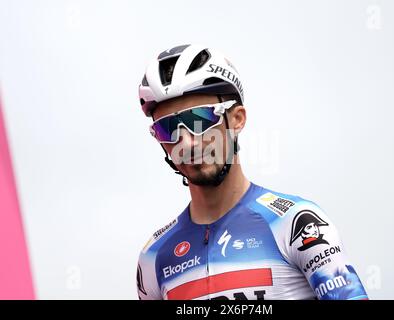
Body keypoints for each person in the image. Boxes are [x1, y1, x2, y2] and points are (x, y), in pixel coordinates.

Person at [136, 44, 368, 300]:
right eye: (168, 129)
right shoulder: (154, 256)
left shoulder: (295, 223)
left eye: (199, 120)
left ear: (237, 119)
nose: (188, 142)